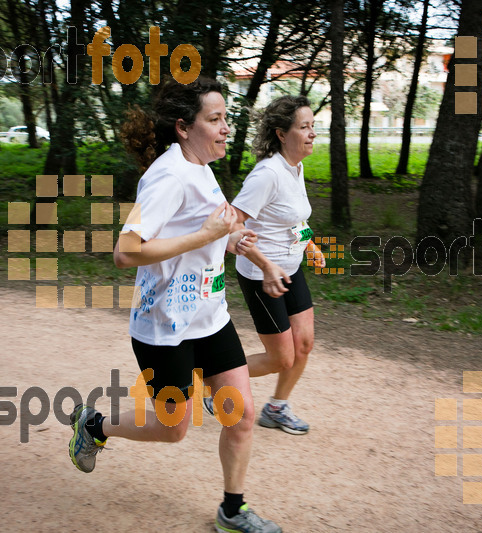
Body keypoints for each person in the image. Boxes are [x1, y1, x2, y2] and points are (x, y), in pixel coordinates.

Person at [68, 78, 281, 533]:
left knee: (242, 414)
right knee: (174, 429)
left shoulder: (202, 167)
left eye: (226, 118)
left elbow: (209, 235)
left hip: (210, 316)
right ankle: (95, 425)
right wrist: (205, 236)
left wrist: (239, 245)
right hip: (164, 327)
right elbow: (125, 251)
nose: (226, 128)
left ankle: (232, 510)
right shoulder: (166, 176)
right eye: (215, 119)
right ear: (184, 127)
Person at [204, 95, 324, 435]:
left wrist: (310, 244)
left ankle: (276, 408)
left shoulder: (295, 167)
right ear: (282, 134)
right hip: (261, 275)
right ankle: (213, 381)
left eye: (313, 126)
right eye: (304, 127)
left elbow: (290, 218)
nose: (312, 133)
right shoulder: (268, 173)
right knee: (280, 358)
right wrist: (264, 263)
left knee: (304, 343)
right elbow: (234, 223)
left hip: (291, 268)